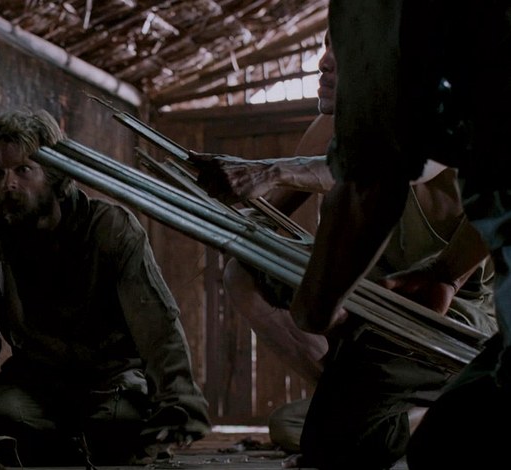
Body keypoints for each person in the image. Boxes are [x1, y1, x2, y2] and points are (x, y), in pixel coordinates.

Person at [193, 30, 496, 469]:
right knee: (246, 272)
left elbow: (384, 169)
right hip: (372, 302)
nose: (324, 62)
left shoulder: (439, 120)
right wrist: (214, 216)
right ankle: (354, 399)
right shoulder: (333, 126)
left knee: (334, 446)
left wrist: (271, 170)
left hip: (445, 314)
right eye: (326, 45)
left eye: (345, 48)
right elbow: (264, 216)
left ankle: (427, 411)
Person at [0, 109, 210, 469]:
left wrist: (178, 399)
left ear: (53, 175)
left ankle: (65, 446)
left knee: (119, 426)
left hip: (110, 381)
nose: (8, 184)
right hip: (35, 383)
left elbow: (157, 327)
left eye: (23, 170)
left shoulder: (109, 230)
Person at [286, 2, 511, 470]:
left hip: (470, 317)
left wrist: (317, 310)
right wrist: (445, 272)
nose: (326, 61)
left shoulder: (386, 19)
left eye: (336, 46)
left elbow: (370, 185)